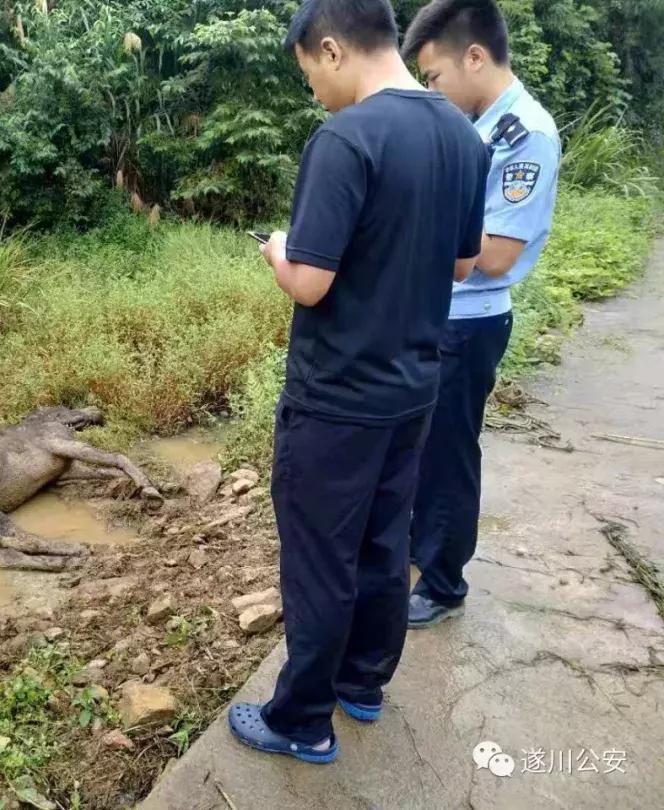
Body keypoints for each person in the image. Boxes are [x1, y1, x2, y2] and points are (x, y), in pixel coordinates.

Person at [227, 0, 490, 764]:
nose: (314, 91)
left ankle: (300, 719)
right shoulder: (459, 136)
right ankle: (362, 685)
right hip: (414, 386)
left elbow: (309, 283)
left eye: (310, 72)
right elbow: (463, 264)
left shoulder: (345, 139)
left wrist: (278, 249)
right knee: (382, 544)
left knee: (318, 558)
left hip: (337, 397)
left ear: (333, 49)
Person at [402, 0, 561, 628]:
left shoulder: (526, 135)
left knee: (449, 452)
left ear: (474, 57)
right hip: (441, 312)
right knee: (423, 444)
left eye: (435, 77)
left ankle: (443, 583)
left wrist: (401, 243)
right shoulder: (478, 125)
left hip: (470, 321)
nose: (432, 91)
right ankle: (423, 550)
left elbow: (494, 255)